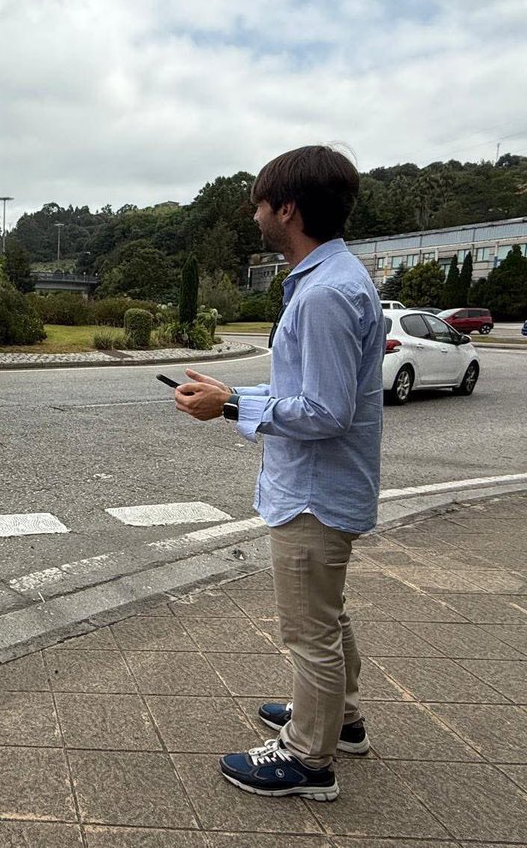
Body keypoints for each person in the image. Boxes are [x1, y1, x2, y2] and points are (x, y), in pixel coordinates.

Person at [174, 145, 383, 802]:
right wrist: (232, 393)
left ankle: (307, 759)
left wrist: (231, 406)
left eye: (260, 204)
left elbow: (324, 410)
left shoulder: (323, 294)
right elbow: (306, 390)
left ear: (287, 209)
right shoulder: (334, 278)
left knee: (309, 630)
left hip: (313, 495)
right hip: (326, 486)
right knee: (328, 615)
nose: (255, 215)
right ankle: (341, 720)